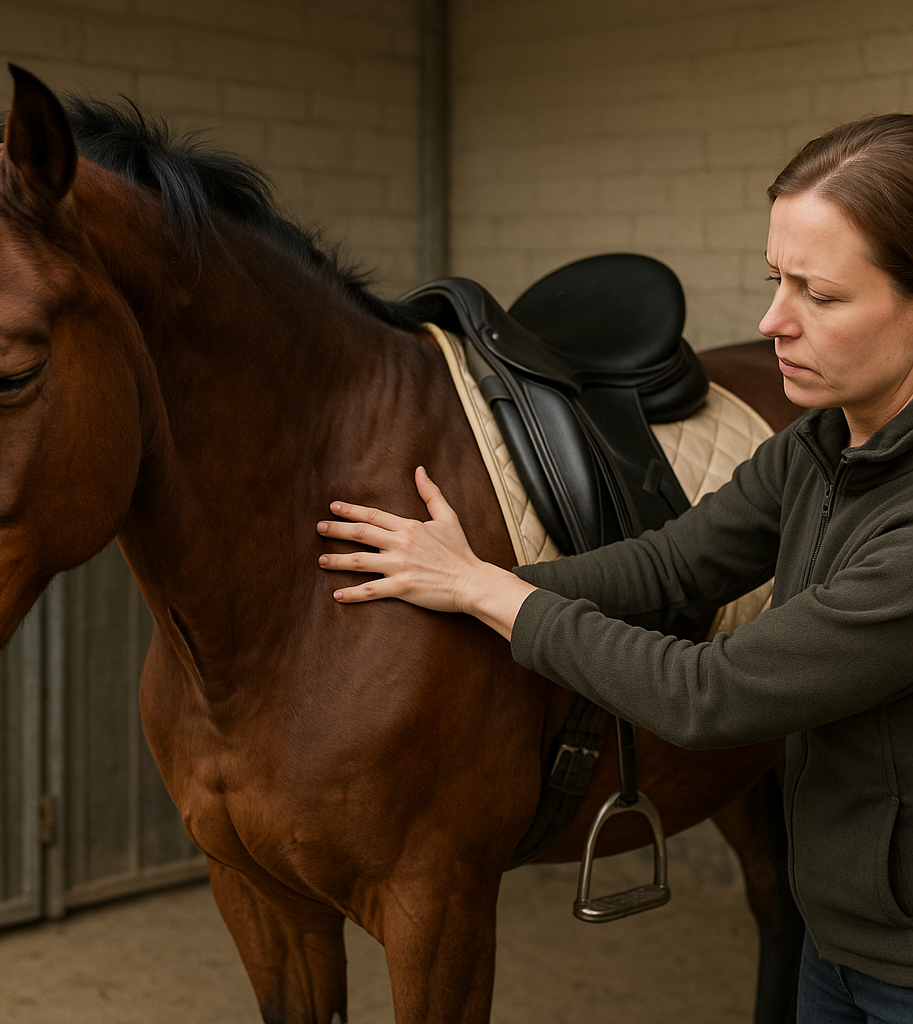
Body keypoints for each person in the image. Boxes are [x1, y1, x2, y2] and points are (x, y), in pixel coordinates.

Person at [316, 113, 913, 1023]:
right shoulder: (822, 446)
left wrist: (495, 595)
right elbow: (675, 566)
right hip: (838, 939)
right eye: (774, 280)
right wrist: (466, 580)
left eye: (820, 296)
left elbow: (711, 696)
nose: (771, 321)